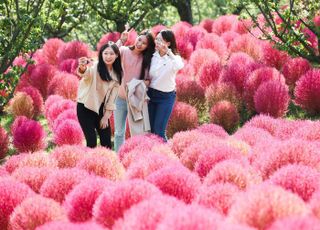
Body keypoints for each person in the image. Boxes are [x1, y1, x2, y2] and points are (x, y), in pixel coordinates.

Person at [114, 30, 155, 152]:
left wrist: (135, 85)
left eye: (144, 43)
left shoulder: (146, 60)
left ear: (147, 46)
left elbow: (148, 80)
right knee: (119, 132)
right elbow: (111, 52)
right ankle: (119, 156)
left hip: (136, 101)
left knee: (137, 132)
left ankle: (137, 156)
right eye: (140, 39)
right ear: (136, 38)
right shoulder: (124, 51)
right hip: (120, 99)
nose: (140, 43)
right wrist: (121, 40)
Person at [76, 42, 122, 148]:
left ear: (116, 55)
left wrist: (106, 117)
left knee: (107, 143)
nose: (108, 56)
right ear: (101, 54)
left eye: (111, 54)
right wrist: (82, 68)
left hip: (101, 108)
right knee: (91, 141)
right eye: (105, 53)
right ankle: (90, 164)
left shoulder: (117, 74)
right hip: (85, 106)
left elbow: (112, 98)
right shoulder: (95, 66)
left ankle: (107, 163)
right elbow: (86, 74)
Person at [147, 29, 184, 141]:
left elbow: (180, 66)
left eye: (160, 40)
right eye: (156, 39)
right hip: (151, 96)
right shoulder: (152, 56)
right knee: (151, 131)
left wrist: (168, 52)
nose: (157, 42)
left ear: (168, 43)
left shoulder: (174, 58)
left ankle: (166, 156)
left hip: (166, 97)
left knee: (159, 131)